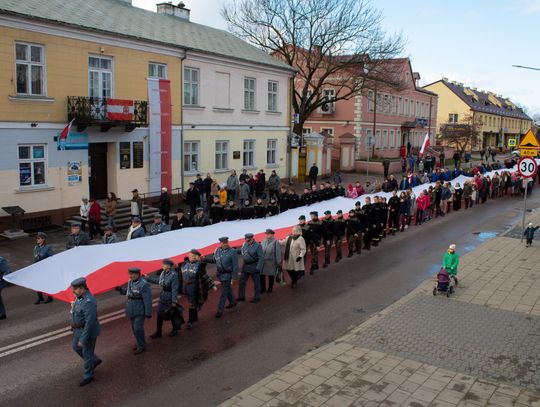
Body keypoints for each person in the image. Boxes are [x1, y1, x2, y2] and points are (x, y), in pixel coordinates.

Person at [69, 277, 101, 386]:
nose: (72, 291)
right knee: (75, 346)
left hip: (88, 331)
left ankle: (88, 375)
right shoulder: (79, 297)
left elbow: (89, 322)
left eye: (75, 289)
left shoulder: (89, 301)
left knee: (87, 353)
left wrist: (83, 339)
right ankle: (94, 360)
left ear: (82, 288)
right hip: (78, 329)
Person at [116, 267, 152, 354]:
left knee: (138, 328)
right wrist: (120, 289)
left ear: (137, 274)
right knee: (134, 329)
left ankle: (142, 346)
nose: (130, 276)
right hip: (131, 308)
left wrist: (148, 312)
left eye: (131, 274)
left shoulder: (144, 284)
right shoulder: (130, 282)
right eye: (130, 274)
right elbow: (129, 292)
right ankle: (140, 343)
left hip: (139, 308)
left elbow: (147, 299)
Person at [201, 237, 238, 318]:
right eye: (221, 243)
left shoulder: (232, 252)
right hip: (220, 274)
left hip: (228, 275)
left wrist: (233, 278)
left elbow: (235, 266)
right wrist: (204, 259)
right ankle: (233, 301)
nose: (221, 244)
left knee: (223, 293)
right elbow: (214, 260)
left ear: (227, 243)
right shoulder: (218, 250)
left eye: (223, 243)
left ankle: (220, 310)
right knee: (227, 289)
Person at [180, 249, 216, 329]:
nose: (190, 257)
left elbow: (205, 275)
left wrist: (212, 285)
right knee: (192, 302)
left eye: (192, 256)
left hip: (195, 287)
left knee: (192, 304)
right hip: (187, 287)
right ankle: (195, 317)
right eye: (189, 255)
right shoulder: (185, 264)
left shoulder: (199, 265)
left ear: (196, 257)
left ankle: (190, 321)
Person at [147, 258, 182, 338]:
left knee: (172, 313)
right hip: (163, 296)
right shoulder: (163, 273)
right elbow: (158, 281)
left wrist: (174, 301)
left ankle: (175, 329)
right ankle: (159, 332)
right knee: (159, 314)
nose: (162, 266)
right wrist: (148, 278)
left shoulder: (174, 275)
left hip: (170, 296)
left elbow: (174, 289)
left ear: (169, 266)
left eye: (164, 264)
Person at [237, 233, 264, 303]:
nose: (247, 242)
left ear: (252, 239)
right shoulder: (245, 244)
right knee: (242, 282)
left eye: (248, 240)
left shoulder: (258, 246)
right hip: (245, 266)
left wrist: (258, 267)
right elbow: (242, 251)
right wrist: (233, 251)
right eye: (246, 240)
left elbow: (261, 257)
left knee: (256, 283)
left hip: (254, 266)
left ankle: (257, 297)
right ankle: (241, 297)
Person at [33, 231, 54, 304]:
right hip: (38, 268)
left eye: (39, 238)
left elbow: (51, 258)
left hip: (46, 268)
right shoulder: (36, 247)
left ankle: (50, 297)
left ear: (43, 239)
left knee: (47, 283)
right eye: (37, 238)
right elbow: (35, 258)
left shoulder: (47, 247)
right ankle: (40, 297)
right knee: (37, 283)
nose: (37, 240)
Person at [260, 229, 282, 294]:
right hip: (263, 262)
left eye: (268, 234)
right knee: (262, 275)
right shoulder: (263, 240)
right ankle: (263, 288)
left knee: (271, 275)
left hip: (271, 262)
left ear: (272, 234)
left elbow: (278, 253)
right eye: (266, 234)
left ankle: (270, 287)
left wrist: (278, 262)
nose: (266, 235)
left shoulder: (275, 242)